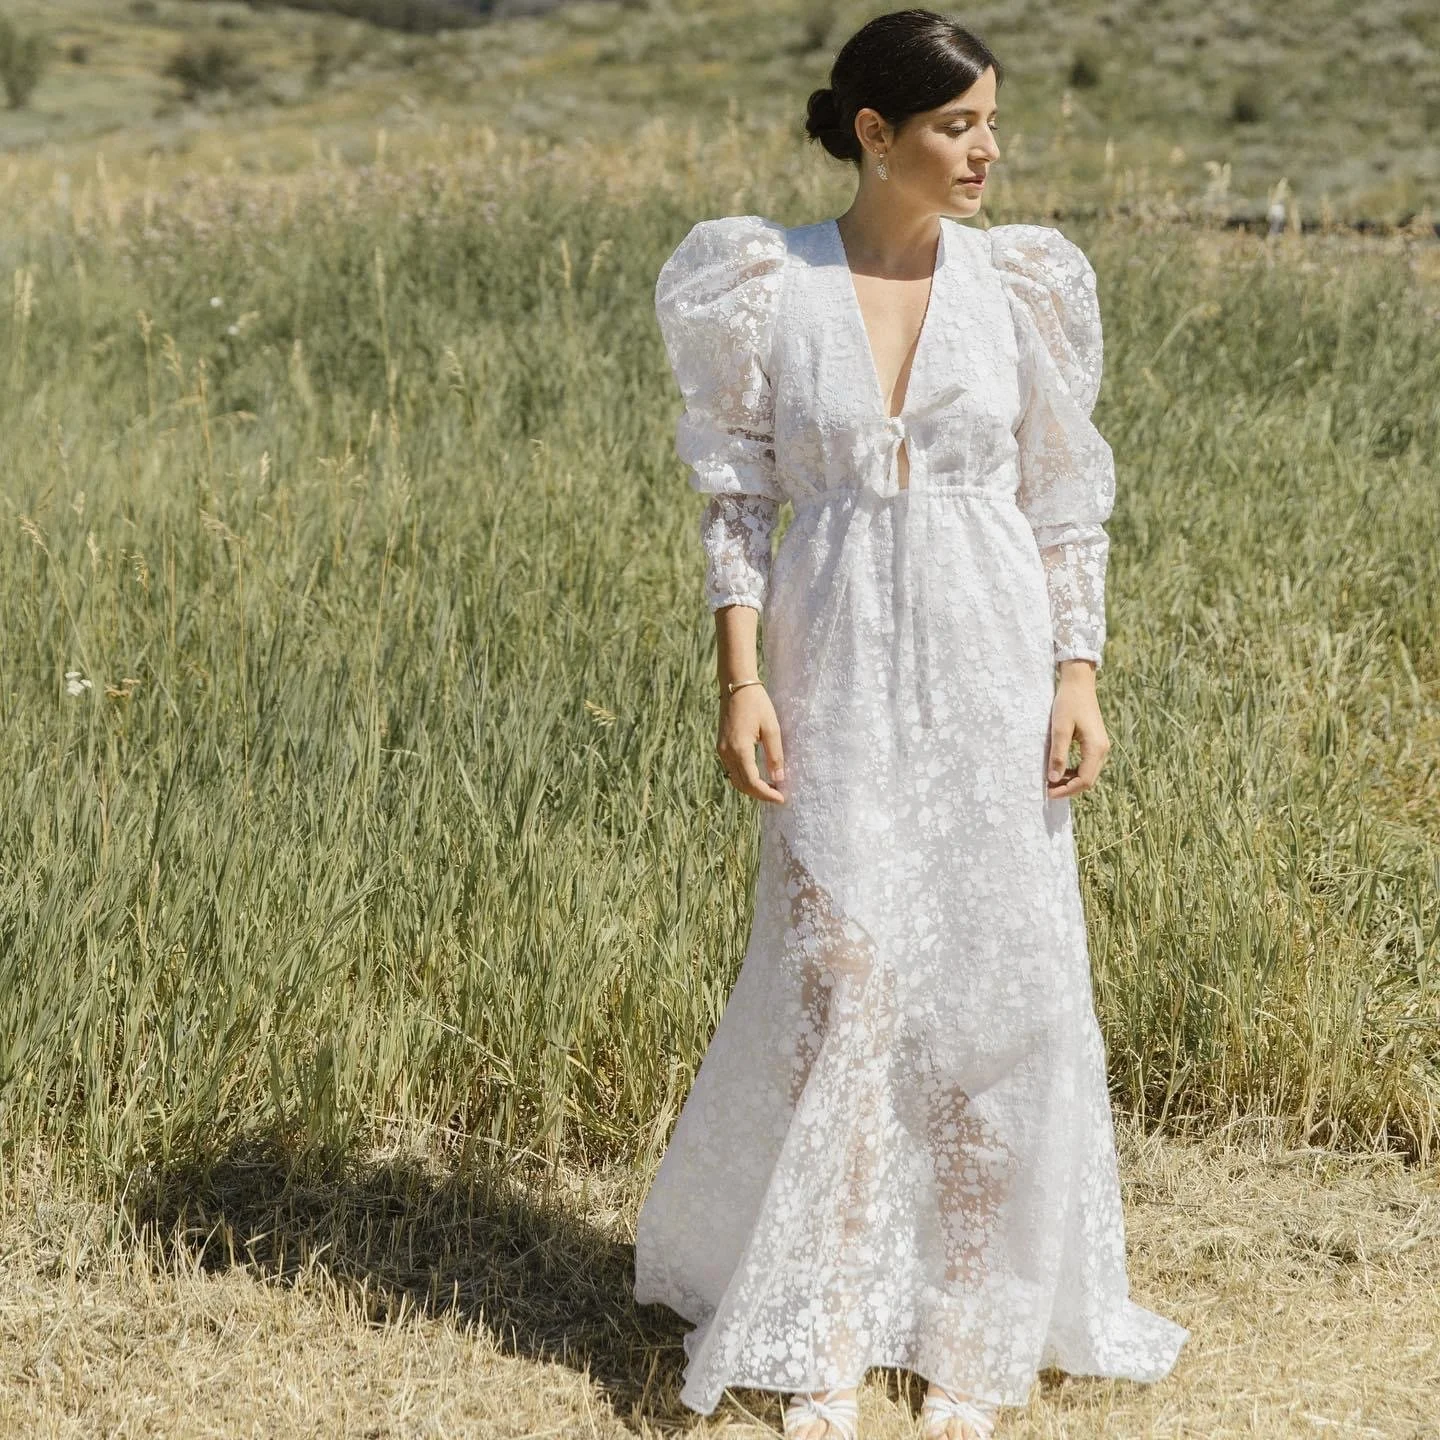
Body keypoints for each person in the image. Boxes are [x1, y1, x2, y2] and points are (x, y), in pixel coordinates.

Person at [633, 10, 1190, 1438]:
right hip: (829, 661)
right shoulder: (768, 284)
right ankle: (821, 1327)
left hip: (991, 658)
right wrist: (741, 680)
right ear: (875, 134)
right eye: (957, 125)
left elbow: (1064, 498)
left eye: (993, 121)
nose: (987, 149)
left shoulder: (1024, 286)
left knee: (993, 999)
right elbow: (736, 501)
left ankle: (971, 1334)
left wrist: (1078, 672)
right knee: (842, 984)